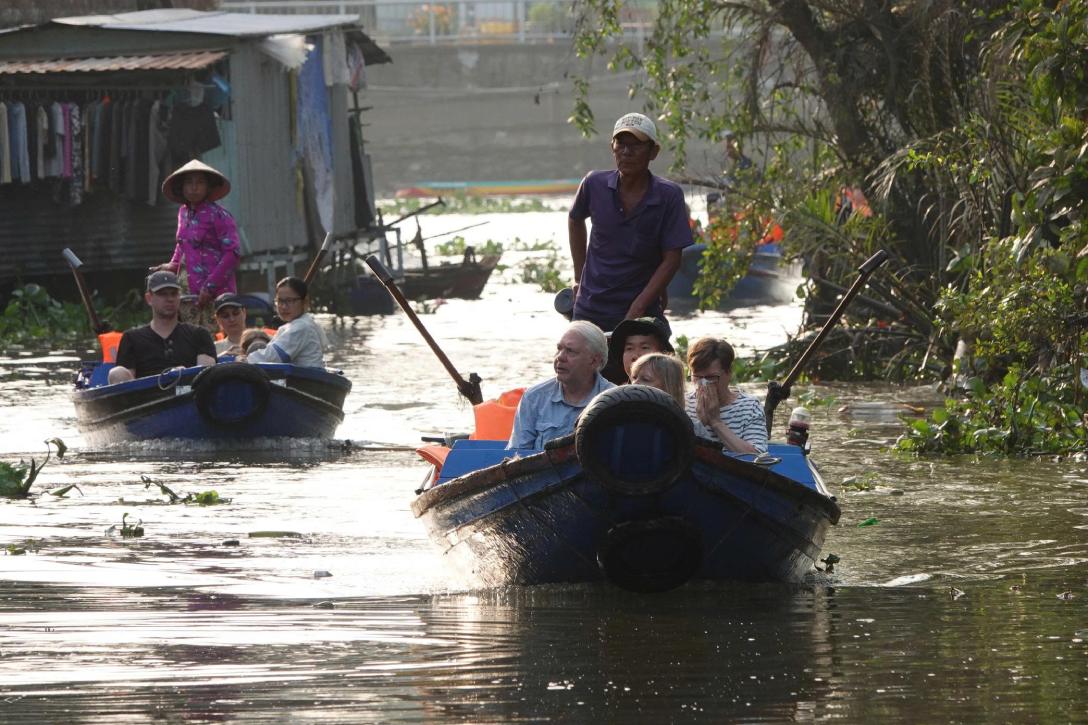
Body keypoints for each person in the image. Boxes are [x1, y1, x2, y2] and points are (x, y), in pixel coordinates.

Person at [568, 112, 694, 334]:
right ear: (612, 147)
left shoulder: (668, 196)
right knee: (575, 353)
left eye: (636, 145)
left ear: (653, 152)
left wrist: (639, 306)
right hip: (590, 308)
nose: (627, 152)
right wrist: (579, 277)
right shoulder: (593, 184)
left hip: (642, 309)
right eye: (621, 144)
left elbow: (672, 258)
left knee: (650, 355)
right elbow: (575, 219)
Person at [151, 159, 241, 314]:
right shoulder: (183, 212)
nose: (194, 187)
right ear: (182, 187)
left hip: (216, 294)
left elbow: (232, 254)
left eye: (200, 182)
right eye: (189, 182)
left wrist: (210, 287)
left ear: (208, 187)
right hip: (187, 294)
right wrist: (172, 265)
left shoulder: (219, 215)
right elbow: (183, 245)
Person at [508, 321, 614, 450]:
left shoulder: (614, 401)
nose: (560, 357)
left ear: (594, 360)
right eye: (559, 349)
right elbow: (517, 455)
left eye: (570, 351)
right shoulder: (534, 397)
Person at [108, 271, 216, 384]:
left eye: (174, 294)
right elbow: (125, 382)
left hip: (190, 390)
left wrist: (185, 375)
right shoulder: (131, 338)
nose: (170, 299)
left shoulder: (199, 334)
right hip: (146, 394)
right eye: (163, 294)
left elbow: (206, 374)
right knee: (117, 373)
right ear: (149, 298)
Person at [685, 336, 767, 454]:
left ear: (729, 373)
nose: (703, 384)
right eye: (697, 377)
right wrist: (699, 423)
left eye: (711, 377)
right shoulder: (684, 403)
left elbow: (757, 456)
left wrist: (715, 422)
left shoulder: (750, 407)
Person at [241, 277, 326, 368]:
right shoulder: (296, 325)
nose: (284, 307)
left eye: (289, 301)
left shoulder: (301, 327)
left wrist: (243, 360)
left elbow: (273, 357)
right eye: (280, 301)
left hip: (307, 376)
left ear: (304, 302)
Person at [601, 316, 675, 385]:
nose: (635, 356)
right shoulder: (613, 393)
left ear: (664, 354)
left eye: (644, 347)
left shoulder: (677, 394)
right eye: (629, 348)